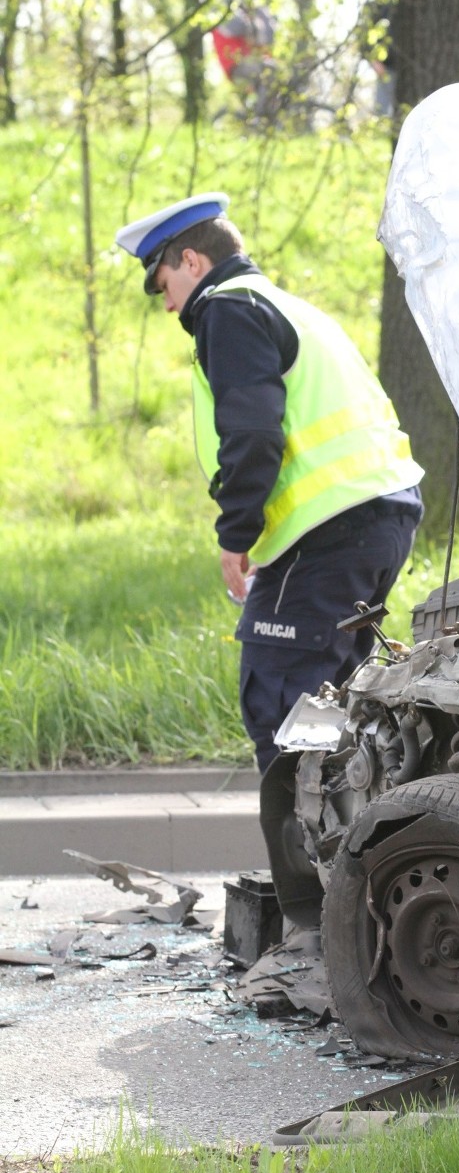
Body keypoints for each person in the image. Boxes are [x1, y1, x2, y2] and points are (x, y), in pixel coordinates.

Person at [116, 192, 424, 776]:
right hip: (377, 516)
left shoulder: (227, 309)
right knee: (329, 704)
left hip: (328, 529)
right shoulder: (288, 306)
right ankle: (347, 854)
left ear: (191, 262)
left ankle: (307, 863)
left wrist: (236, 534)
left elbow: (254, 434)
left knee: (283, 702)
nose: (166, 306)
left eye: (162, 285)